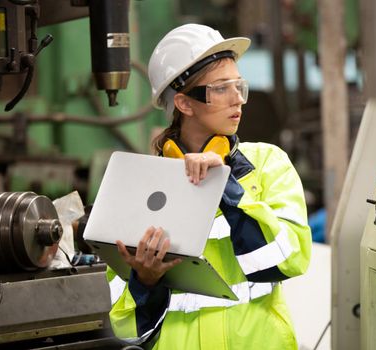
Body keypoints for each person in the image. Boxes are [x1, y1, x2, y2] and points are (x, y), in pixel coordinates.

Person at [107, 23, 312, 349]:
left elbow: (285, 261)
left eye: (238, 86)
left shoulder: (268, 164)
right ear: (185, 104)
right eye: (221, 88)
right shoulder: (143, 187)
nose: (238, 100)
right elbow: (126, 328)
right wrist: (145, 280)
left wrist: (227, 183)